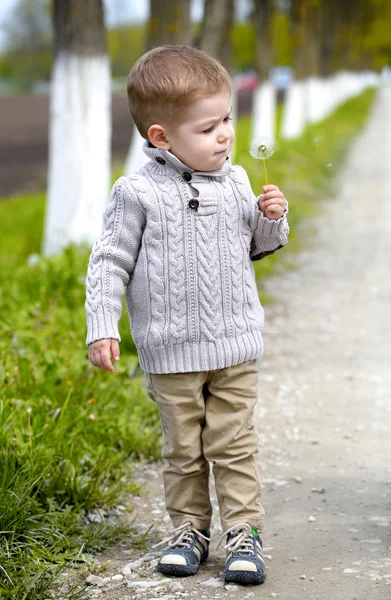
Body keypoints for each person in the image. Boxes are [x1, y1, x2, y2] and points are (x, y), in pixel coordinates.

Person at [85, 45, 289, 586]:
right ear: (161, 138)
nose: (225, 134)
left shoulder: (240, 181)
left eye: (227, 119)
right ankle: (189, 530)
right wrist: (102, 324)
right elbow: (109, 263)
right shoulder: (137, 194)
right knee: (183, 448)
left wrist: (271, 218)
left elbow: (259, 245)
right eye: (208, 127)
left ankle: (244, 533)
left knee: (233, 443)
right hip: (170, 349)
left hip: (235, 344)